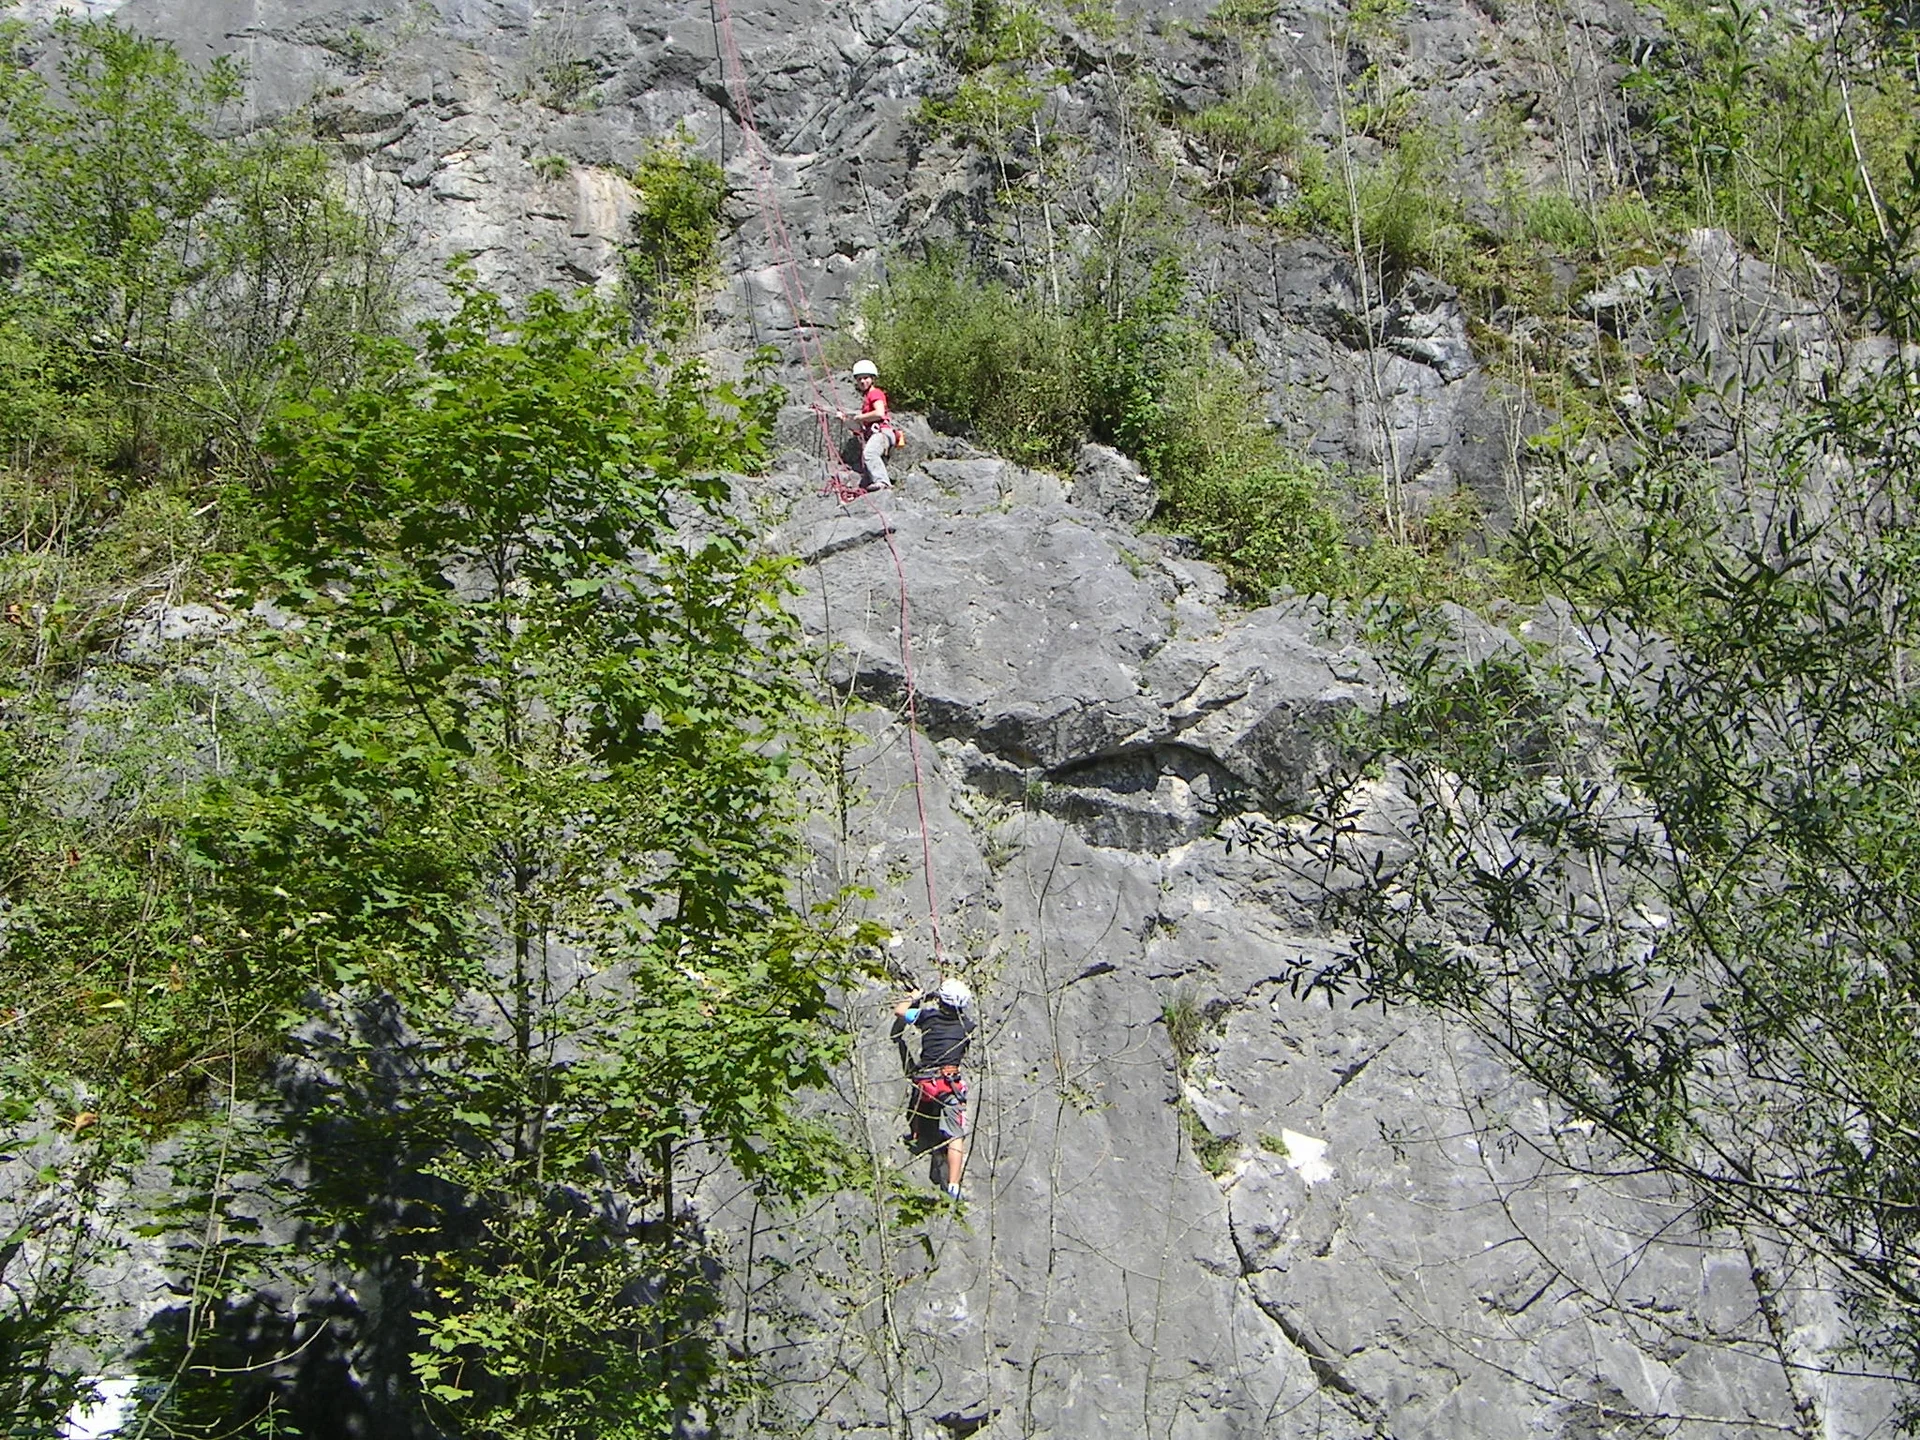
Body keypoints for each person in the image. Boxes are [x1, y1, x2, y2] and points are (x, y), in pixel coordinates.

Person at [891, 975, 975, 1200]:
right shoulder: (968, 1026)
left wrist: (914, 997)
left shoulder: (926, 1017)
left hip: (926, 1084)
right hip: (949, 1085)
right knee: (956, 1135)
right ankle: (954, 1185)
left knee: (925, 1111)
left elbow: (900, 1011)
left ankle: (920, 1135)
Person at [846, 359, 897, 491]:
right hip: (877, 434)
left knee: (869, 454)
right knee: (869, 458)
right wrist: (845, 420)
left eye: (866, 378)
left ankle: (882, 482)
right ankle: (878, 483)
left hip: (882, 433)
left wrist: (859, 417)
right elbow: (860, 428)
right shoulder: (867, 397)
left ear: (873, 378)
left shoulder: (875, 393)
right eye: (859, 379)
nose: (863, 381)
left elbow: (879, 413)